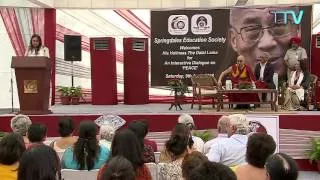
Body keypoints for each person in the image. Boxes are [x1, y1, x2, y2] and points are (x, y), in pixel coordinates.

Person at [229, 7, 301, 78]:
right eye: (252, 29)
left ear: (298, 30)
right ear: (234, 40)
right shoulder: (235, 70)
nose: (267, 43)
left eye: (278, 25)